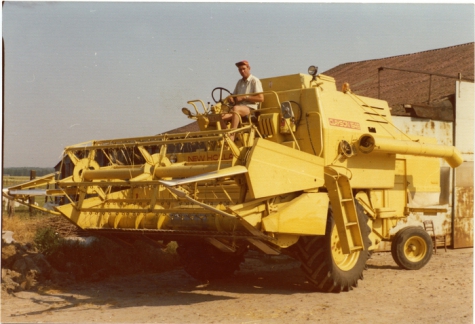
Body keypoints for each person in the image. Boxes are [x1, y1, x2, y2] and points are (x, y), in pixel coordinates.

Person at [221, 60, 264, 139]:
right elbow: (234, 95)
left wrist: (245, 97)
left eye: (244, 69)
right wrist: (231, 97)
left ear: (249, 68)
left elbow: (261, 98)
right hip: (239, 108)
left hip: (251, 109)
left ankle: (232, 135)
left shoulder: (254, 81)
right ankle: (227, 134)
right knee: (220, 116)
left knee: (236, 108)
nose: (242, 71)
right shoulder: (239, 82)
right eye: (240, 69)